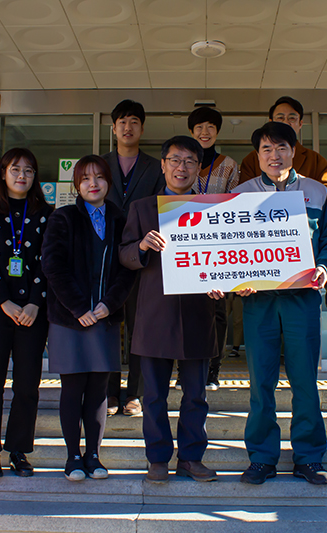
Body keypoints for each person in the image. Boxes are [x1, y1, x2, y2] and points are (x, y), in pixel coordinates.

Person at [222, 122, 327, 485]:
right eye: (266, 150)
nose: (274, 156)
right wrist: (234, 280)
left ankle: (308, 458)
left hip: (301, 300)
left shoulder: (317, 192)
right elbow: (226, 248)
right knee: (261, 382)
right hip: (257, 302)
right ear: (256, 156)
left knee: (305, 380)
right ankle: (262, 457)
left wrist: (324, 266)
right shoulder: (240, 194)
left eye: (281, 148)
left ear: (294, 151)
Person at [119, 135, 219, 484]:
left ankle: (191, 458)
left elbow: (226, 258)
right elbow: (125, 255)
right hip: (155, 313)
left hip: (198, 312)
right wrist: (142, 246)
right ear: (162, 166)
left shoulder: (213, 208)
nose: (182, 167)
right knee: (154, 395)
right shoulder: (143, 208)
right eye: (175, 160)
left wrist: (224, 280)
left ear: (198, 168)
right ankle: (158, 458)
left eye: (190, 161)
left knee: (195, 394)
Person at [41, 155, 136, 481]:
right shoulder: (63, 218)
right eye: (85, 178)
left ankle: (94, 456)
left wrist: (110, 304)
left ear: (108, 181)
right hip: (69, 319)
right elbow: (53, 266)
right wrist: (78, 308)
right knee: (72, 388)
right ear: (76, 185)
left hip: (105, 318)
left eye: (98, 177)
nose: (92, 183)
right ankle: (72, 458)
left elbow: (127, 269)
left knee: (99, 390)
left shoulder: (120, 218)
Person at [0, 147, 53, 478]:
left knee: (27, 384)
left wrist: (34, 303)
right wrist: (5, 302)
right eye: (15, 169)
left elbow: (48, 262)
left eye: (29, 170)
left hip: (33, 311)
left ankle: (18, 449)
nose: (22, 175)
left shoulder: (46, 214)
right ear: (3, 173)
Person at [102, 99, 164, 417]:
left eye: (134, 122)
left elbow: (160, 210)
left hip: (143, 258)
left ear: (142, 128)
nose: (128, 127)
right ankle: (110, 392)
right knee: (110, 323)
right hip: (105, 260)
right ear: (113, 128)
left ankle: (133, 394)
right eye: (122, 121)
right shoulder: (98, 166)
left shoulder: (156, 167)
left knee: (141, 325)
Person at [187, 106, 240, 390]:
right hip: (186, 246)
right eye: (199, 127)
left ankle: (212, 370)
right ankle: (186, 370)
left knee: (217, 311)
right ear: (191, 131)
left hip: (219, 248)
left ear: (217, 131)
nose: (204, 132)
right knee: (187, 309)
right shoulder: (184, 160)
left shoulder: (229, 164)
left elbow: (236, 203)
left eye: (210, 127)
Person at [238, 96, 327, 198]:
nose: (286, 122)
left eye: (292, 118)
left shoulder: (316, 160)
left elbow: (325, 195)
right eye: (280, 118)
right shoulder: (251, 160)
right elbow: (245, 196)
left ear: (300, 123)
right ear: (271, 121)